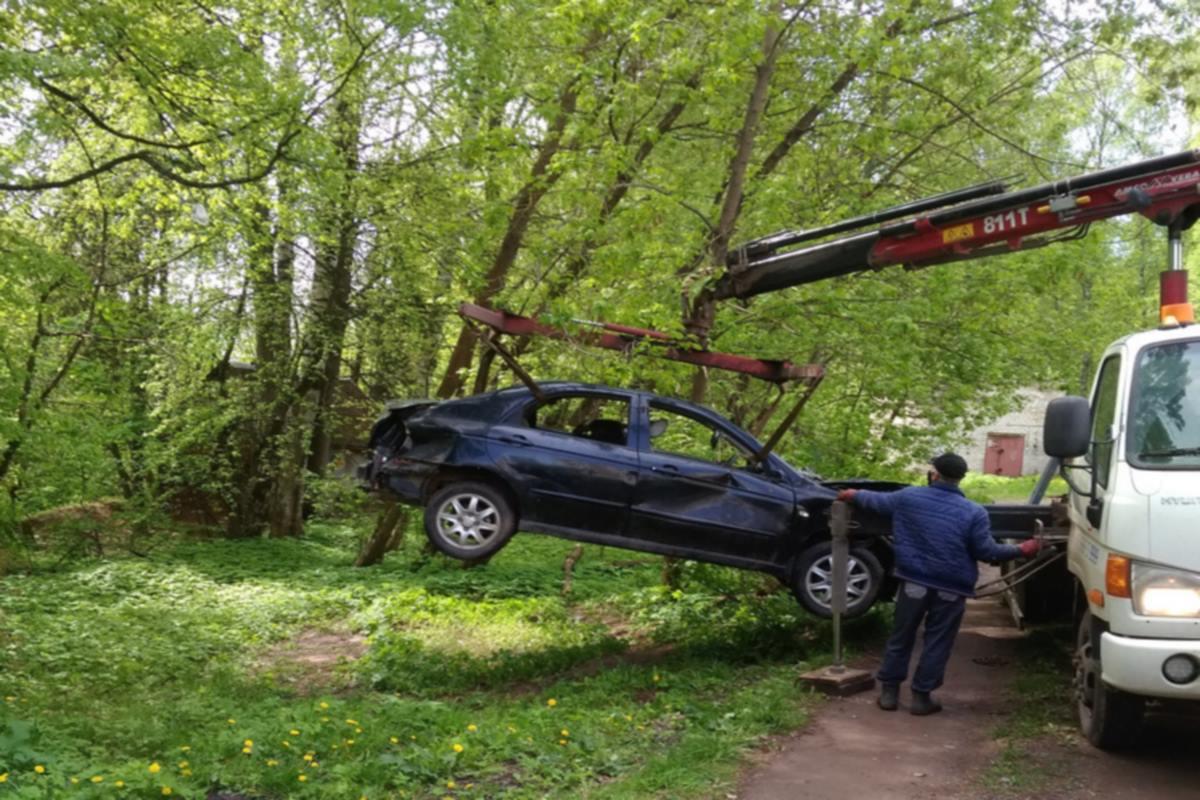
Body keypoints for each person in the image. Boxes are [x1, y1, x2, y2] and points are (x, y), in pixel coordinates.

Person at [836, 453, 1040, 715]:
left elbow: (875, 501)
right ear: (960, 479)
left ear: (934, 475)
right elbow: (987, 551)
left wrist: (851, 494)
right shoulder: (974, 512)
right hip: (951, 588)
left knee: (902, 635)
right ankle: (921, 698)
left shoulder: (908, 497)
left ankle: (889, 694)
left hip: (914, 582)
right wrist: (1023, 549)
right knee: (938, 641)